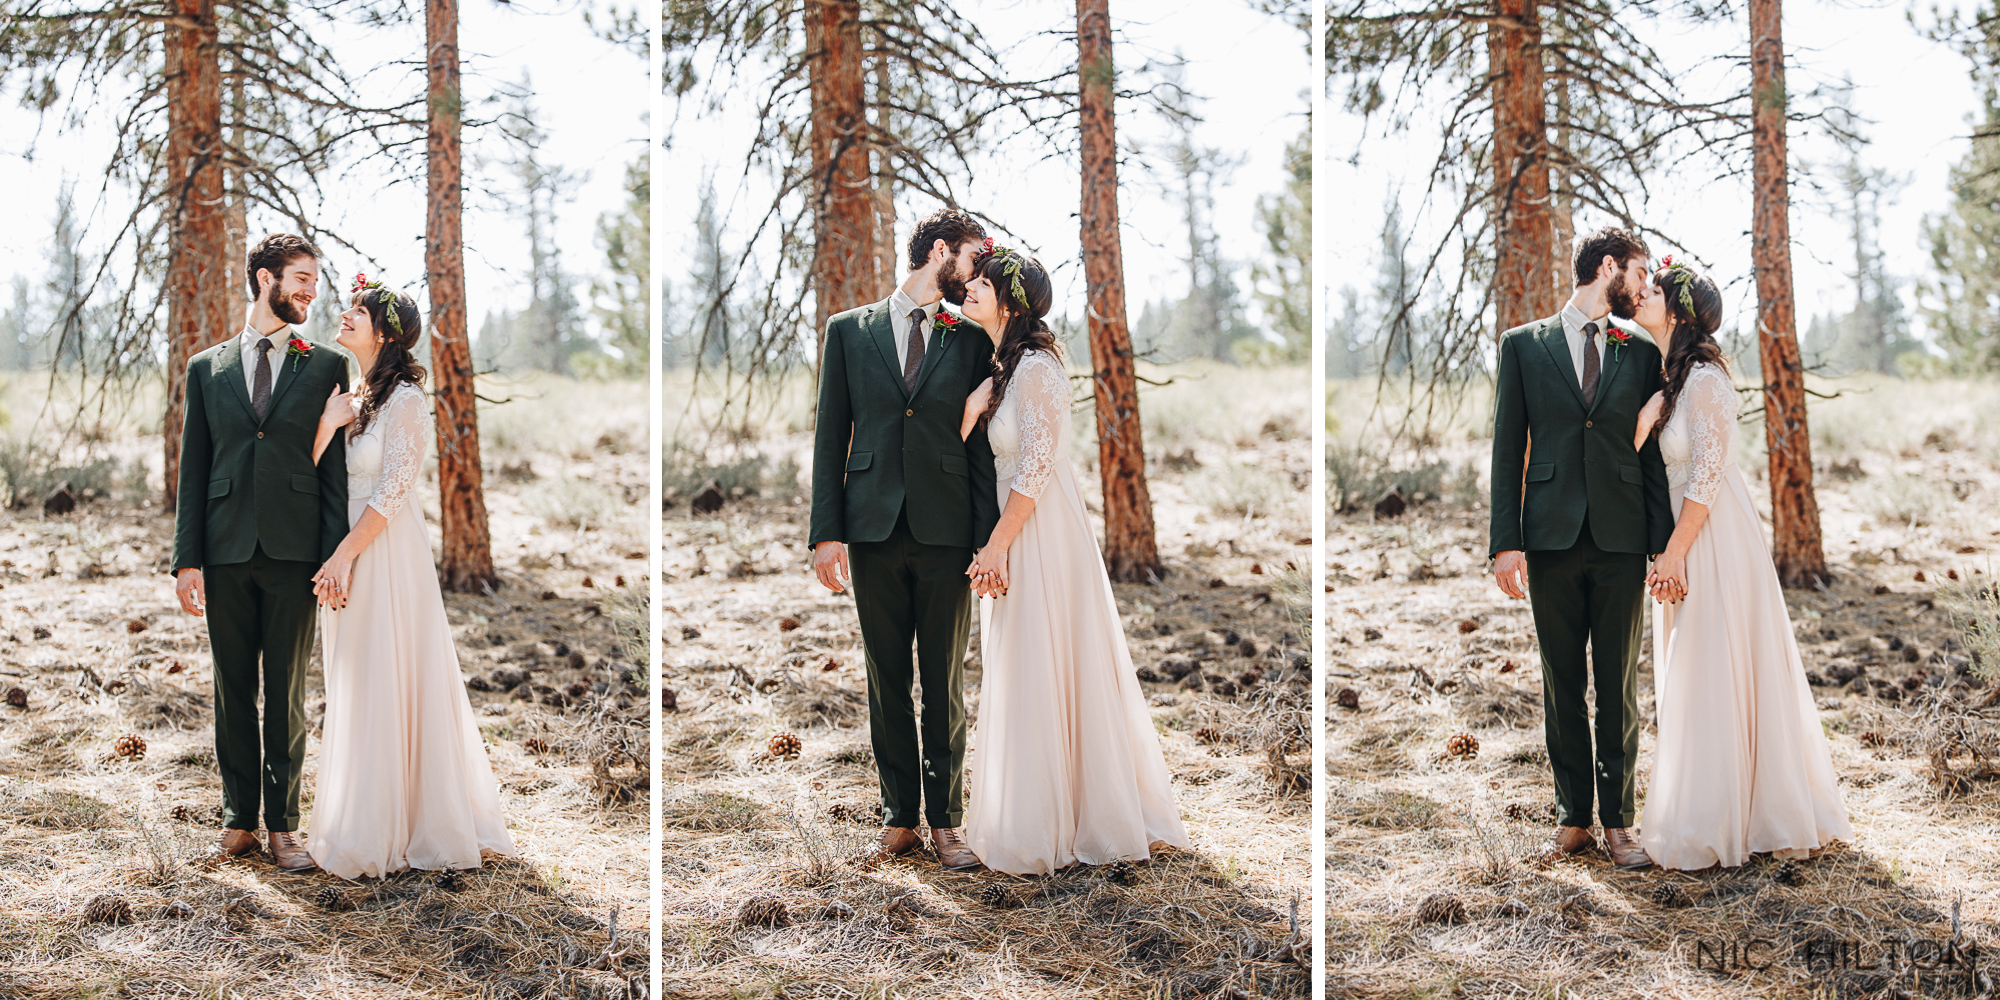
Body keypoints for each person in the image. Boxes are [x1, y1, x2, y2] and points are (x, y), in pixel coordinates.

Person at [956, 243, 1191, 875]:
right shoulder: (1002, 366)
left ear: (1011, 298)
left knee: (1045, 655)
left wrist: (997, 547)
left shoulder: (1037, 368)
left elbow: (1035, 467)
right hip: (1006, 524)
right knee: (1021, 660)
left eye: (981, 281)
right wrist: (975, 407)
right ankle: (1031, 809)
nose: (970, 287)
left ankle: (1071, 820)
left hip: (1036, 528)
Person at [1629, 256, 1851, 870]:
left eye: (1652, 290)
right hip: (1682, 534)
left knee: (1714, 660)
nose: (1641, 294)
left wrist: (1676, 550)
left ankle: (1731, 816)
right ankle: (1707, 804)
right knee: (1696, 667)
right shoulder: (1673, 378)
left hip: (1711, 535)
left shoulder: (1706, 380)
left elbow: (1706, 474)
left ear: (1676, 310)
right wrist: (1645, 421)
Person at [303, 274, 517, 879]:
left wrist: (346, 555)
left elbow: (393, 492)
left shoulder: (406, 403)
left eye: (357, 312)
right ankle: (361, 815)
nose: (343, 316)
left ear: (386, 333)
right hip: (342, 547)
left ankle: (406, 824)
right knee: (354, 675)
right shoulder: (353, 396)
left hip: (383, 551)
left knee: (388, 670)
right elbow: (319, 474)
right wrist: (326, 425)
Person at [808, 208, 1002, 869]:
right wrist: (825, 534)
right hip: (871, 530)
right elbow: (832, 436)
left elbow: (980, 452)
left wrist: (985, 542)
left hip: (948, 532)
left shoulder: (971, 339)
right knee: (884, 678)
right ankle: (899, 819)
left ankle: (946, 821)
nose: (975, 274)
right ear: (941, 252)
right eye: (973, 259)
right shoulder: (847, 332)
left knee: (944, 679)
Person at [1487, 226, 1674, 870]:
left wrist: (1661, 545)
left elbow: (1650, 459)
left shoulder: (1642, 351)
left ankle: (1619, 822)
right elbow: (1508, 448)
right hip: (1551, 539)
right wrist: (1504, 544)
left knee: (1619, 684)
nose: (1643, 284)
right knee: (1561, 680)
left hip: (1622, 539)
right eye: (1638, 271)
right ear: (1607, 267)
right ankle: (1573, 819)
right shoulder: (1523, 347)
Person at [173, 234, 349, 873]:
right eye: (301, 278)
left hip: (296, 554)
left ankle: (283, 826)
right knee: (231, 691)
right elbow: (193, 467)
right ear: (264, 278)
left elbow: (333, 472)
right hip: (221, 553)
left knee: (287, 695)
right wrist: (185, 559)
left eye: (315, 281)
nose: (311, 291)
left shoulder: (328, 365)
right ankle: (237, 820)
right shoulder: (206, 367)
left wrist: (335, 556)